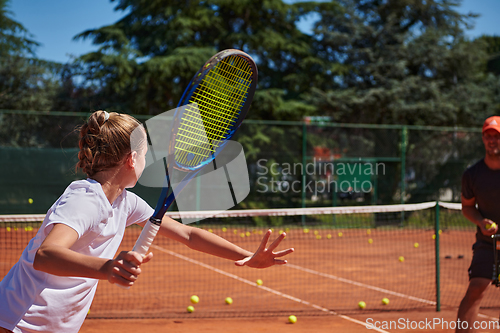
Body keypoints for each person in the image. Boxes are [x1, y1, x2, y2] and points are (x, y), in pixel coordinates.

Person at [0, 111, 294, 333]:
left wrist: (247, 256)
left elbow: (188, 234)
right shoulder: (86, 199)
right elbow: (46, 255)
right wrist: (108, 267)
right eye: (144, 154)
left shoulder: (124, 201)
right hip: (17, 321)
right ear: (131, 159)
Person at [456, 116, 500, 333]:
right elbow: (467, 207)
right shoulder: (472, 175)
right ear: (483, 139)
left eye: (497, 136)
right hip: (487, 243)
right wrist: (480, 221)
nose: (492, 140)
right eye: (488, 136)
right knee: (475, 289)